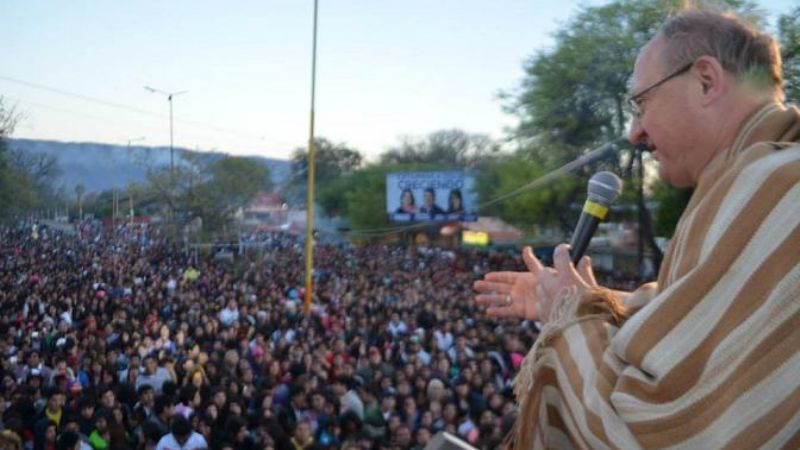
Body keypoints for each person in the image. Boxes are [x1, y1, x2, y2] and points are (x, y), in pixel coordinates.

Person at [474, 7, 800, 449]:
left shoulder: (772, 187)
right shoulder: (762, 183)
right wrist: (596, 301)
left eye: (641, 104)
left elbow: (667, 430)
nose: (634, 133)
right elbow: (710, 328)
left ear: (706, 80)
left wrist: (571, 320)